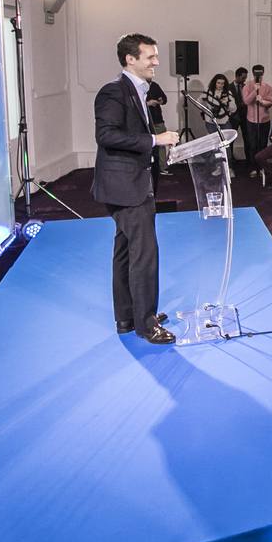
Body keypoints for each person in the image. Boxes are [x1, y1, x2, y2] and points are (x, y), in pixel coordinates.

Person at [92, 33, 178, 345]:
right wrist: (156, 140)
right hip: (125, 187)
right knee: (144, 254)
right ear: (131, 59)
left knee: (126, 252)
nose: (156, 62)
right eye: (150, 56)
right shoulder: (114, 92)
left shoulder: (139, 91)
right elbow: (107, 135)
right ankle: (146, 324)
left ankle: (128, 318)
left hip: (131, 183)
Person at [241, 64, 272, 159]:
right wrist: (254, 91)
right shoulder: (247, 86)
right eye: (256, 73)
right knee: (252, 145)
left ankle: (262, 168)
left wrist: (262, 102)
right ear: (253, 73)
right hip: (251, 121)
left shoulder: (268, 87)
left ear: (263, 73)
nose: (258, 75)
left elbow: (270, 102)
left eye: (260, 73)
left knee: (263, 144)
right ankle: (253, 167)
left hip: (264, 120)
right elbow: (246, 101)